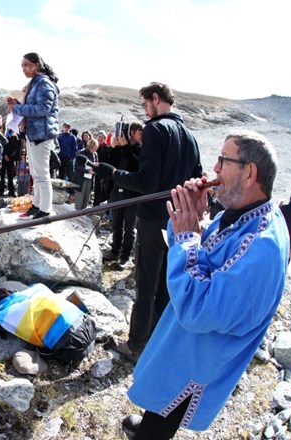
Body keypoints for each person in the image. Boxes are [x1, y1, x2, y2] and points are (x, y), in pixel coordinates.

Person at [123, 130, 289, 439]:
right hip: (184, 343)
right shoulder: (239, 214)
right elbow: (200, 255)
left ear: (250, 172)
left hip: (199, 357)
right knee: (160, 398)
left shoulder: (262, 246)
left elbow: (201, 310)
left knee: (167, 413)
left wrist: (187, 236)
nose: (214, 169)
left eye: (223, 160)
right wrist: (192, 221)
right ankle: (149, 423)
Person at [96, 82, 202, 360]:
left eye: (144, 105)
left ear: (156, 99)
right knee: (168, 284)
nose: (144, 111)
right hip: (178, 222)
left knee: (146, 284)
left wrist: (113, 173)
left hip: (154, 218)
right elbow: (197, 179)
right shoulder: (190, 136)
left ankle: (136, 344)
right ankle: (158, 341)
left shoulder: (156, 129)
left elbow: (146, 182)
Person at [6, 52, 60, 220]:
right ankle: (36, 206)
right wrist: (19, 105)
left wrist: (17, 109)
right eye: (22, 66)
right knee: (36, 174)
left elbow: (42, 109)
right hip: (34, 132)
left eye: (26, 65)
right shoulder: (36, 83)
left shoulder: (44, 83)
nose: (24, 69)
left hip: (42, 133)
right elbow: (36, 107)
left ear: (36, 65)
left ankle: (45, 210)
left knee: (42, 174)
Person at [103, 123, 143, 265]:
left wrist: (125, 147)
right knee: (116, 225)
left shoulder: (140, 150)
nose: (142, 135)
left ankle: (125, 256)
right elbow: (108, 163)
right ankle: (115, 251)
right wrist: (113, 147)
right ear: (131, 133)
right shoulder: (121, 149)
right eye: (139, 132)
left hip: (132, 195)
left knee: (129, 228)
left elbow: (135, 166)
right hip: (117, 192)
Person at [71, 138, 99, 210]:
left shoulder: (95, 154)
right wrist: (87, 170)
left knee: (86, 199)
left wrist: (95, 169)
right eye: (94, 148)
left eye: (96, 149)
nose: (95, 150)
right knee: (79, 200)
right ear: (90, 146)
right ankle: (76, 217)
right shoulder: (81, 152)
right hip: (80, 179)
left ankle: (82, 215)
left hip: (90, 179)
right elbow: (77, 167)